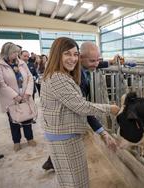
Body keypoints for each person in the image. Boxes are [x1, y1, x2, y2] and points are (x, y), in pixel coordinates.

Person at [40, 37, 120, 188]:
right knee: (77, 182)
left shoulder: (59, 74)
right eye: (67, 54)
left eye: (75, 54)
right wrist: (111, 108)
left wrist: (102, 132)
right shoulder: (58, 78)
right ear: (57, 54)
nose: (73, 59)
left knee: (70, 180)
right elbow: (81, 106)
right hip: (65, 138)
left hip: (63, 134)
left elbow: (77, 105)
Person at [0, 42, 37, 152]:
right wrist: (16, 96)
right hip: (11, 99)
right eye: (14, 52)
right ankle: (17, 141)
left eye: (17, 52)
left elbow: (29, 77)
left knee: (27, 117)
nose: (16, 55)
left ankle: (30, 138)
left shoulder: (22, 63)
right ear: (6, 52)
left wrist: (28, 92)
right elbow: (0, 83)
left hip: (25, 96)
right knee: (14, 120)